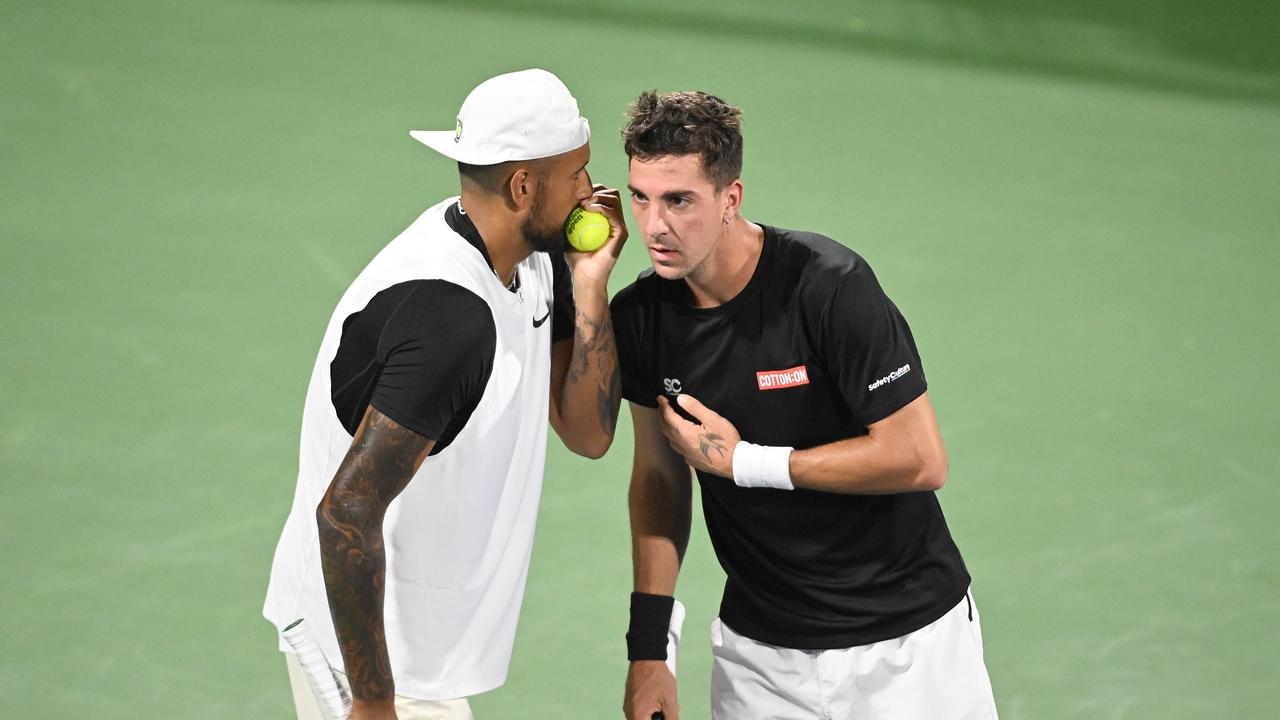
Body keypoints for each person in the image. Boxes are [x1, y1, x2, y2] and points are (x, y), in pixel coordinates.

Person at [611, 90, 998, 720]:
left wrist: (746, 463)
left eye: (679, 200)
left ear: (730, 199)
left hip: (909, 648)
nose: (654, 226)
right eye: (641, 197)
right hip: (762, 662)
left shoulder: (828, 286)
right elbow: (658, 476)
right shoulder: (642, 317)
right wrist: (650, 650)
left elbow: (919, 457)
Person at [263, 68, 627, 720]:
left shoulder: (536, 260)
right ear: (523, 186)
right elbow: (345, 512)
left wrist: (592, 285)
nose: (590, 194)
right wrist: (373, 704)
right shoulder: (448, 321)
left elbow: (588, 432)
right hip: (369, 660)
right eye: (577, 173)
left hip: (420, 655)